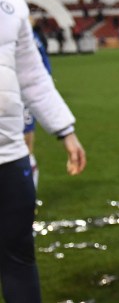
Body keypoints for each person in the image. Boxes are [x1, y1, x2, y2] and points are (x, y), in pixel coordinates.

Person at [0, 0, 90, 303]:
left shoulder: (12, 5)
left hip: (9, 151)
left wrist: (64, 130)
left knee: (18, 251)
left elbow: (33, 77)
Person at [23, 17, 53, 189]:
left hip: (23, 95)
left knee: (26, 143)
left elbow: (42, 65)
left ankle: (28, 193)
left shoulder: (29, 38)